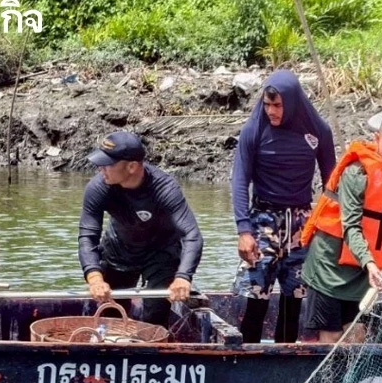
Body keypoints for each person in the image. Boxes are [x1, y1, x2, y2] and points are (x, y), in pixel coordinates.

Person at [299, 112, 382, 343]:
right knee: (332, 337)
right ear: (377, 138)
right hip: (330, 266)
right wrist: (370, 264)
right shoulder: (356, 173)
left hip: (362, 271)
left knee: (357, 335)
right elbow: (350, 226)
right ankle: (329, 379)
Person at [231, 70, 336, 344]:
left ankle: (284, 359)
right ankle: (249, 361)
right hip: (263, 221)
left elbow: (331, 185)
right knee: (256, 296)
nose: (271, 112)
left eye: (277, 106)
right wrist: (244, 231)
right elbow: (240, 181)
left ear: (291, 102)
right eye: (267, 105)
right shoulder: (253, 130)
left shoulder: (318, 131)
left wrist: (333, 230)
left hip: (302, 222)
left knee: (294, 299)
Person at [78, 131, 203, 325]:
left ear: (132, 166)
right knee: (110, 312)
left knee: (155, 314)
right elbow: (87, 235)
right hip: (119, 249)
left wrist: (183, 276)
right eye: (100, 163)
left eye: (108, 164)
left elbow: (191, 235)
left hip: (160, 252)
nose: (101, 169)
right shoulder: (98, 187)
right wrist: (94, 276)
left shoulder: (165, 188)